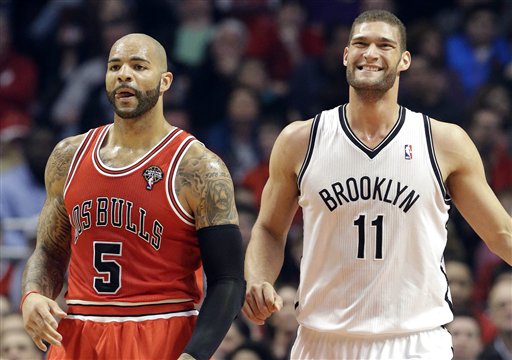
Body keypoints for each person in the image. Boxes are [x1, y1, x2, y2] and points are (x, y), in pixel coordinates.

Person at [243, 10, 512, 359]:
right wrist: (259, 280)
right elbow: (268, 228)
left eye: (384, 45)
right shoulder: (300, 140)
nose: (370, 53)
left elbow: (500, 234)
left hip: (414, 340)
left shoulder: (443, 141)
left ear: (404, 60)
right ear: (345, 55)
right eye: (360, 44)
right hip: (323, 339)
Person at [19, 33, 245, 360]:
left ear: (165, 81)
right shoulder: (67, 156)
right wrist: (33, 295)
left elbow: (228, 280)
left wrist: (195, 355)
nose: (124, 74)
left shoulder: (197, 167)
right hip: (81, 330)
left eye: (139, 66)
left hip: (161, 331)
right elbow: (49, 251)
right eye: (115, 67)